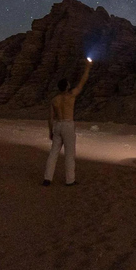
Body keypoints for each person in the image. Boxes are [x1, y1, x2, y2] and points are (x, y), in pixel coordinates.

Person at [42, 58, 92, 186]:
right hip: (68, 125)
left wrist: (50, 131)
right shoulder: (71, 96)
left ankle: (47, 178)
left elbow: (50, 117)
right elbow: (82, 82)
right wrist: (88, 67)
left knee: (53, 153)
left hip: (58, 126)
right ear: (67, 86)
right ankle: (70, 180)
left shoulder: (54, 100)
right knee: (70, 154)